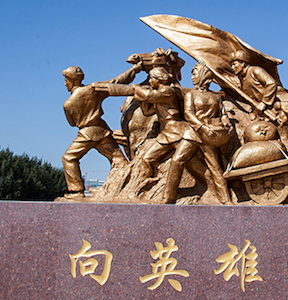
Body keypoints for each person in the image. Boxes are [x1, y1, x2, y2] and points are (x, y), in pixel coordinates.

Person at [61, 62, 141, 199]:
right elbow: (116, 83)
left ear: (72, 80)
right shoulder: (93, 89)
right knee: (119, 160)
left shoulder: (68, 104)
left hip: (86, 133)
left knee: (68, 158)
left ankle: (77, 191)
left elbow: (72, 123)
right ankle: (131, 184)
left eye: (66, 80)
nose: (65, 83)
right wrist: (134, 71)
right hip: (102, 131)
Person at [129, 67, 200, 203]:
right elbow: (148, 112)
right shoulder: (159, 95)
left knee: (194, 165)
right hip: (166, 133)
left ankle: (211, 186)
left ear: (160, 79)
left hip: (177, 131)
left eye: (152, 78)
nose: (150, 81)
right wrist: (141, 101)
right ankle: (148, 187)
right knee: (147, 159)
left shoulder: (167, 91)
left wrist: (136, 88)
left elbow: (148, 96)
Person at [183, 63, 234, 204]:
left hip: (211, 135)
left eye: (194, 74)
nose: (192, 78)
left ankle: (226, 200)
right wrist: (202, 127)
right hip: (194, 133)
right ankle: (167, 197)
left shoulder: (216, 97)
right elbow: (188, 113)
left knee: (215, 168)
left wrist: (227, 122)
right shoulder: (191, 94)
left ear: (203, 75)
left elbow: (222, 113)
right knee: (177, 160)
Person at [230, 50, 278, 116]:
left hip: (270, 107)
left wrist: (264, 102)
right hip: (257, 110)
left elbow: (271, 83)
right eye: (231, 65)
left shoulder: (255, 70)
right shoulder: (241, 79)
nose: (232, 68)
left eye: (234, 64)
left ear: (242, 63)